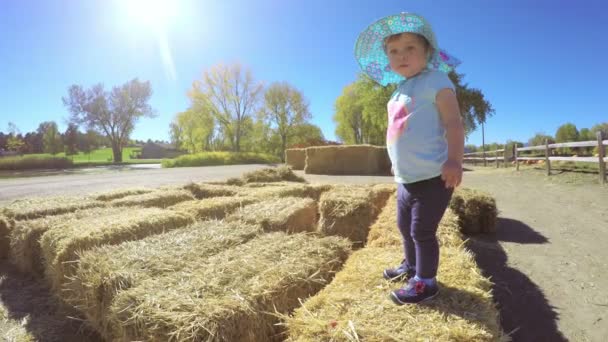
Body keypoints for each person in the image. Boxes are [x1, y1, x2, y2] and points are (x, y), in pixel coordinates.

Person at [354, 12, 465, 304]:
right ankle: (411, 265)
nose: (402, 55)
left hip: (433, 175)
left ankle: (426, 283)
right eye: (394, 51)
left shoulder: (436, 80)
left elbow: (453, 122)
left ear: (427, 52)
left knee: (421, 230)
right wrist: (396, 161)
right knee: (404, 228)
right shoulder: (397, 92)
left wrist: (454, 159)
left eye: (410, 48)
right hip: (406, 179)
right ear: (387, 59)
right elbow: (398, 132)